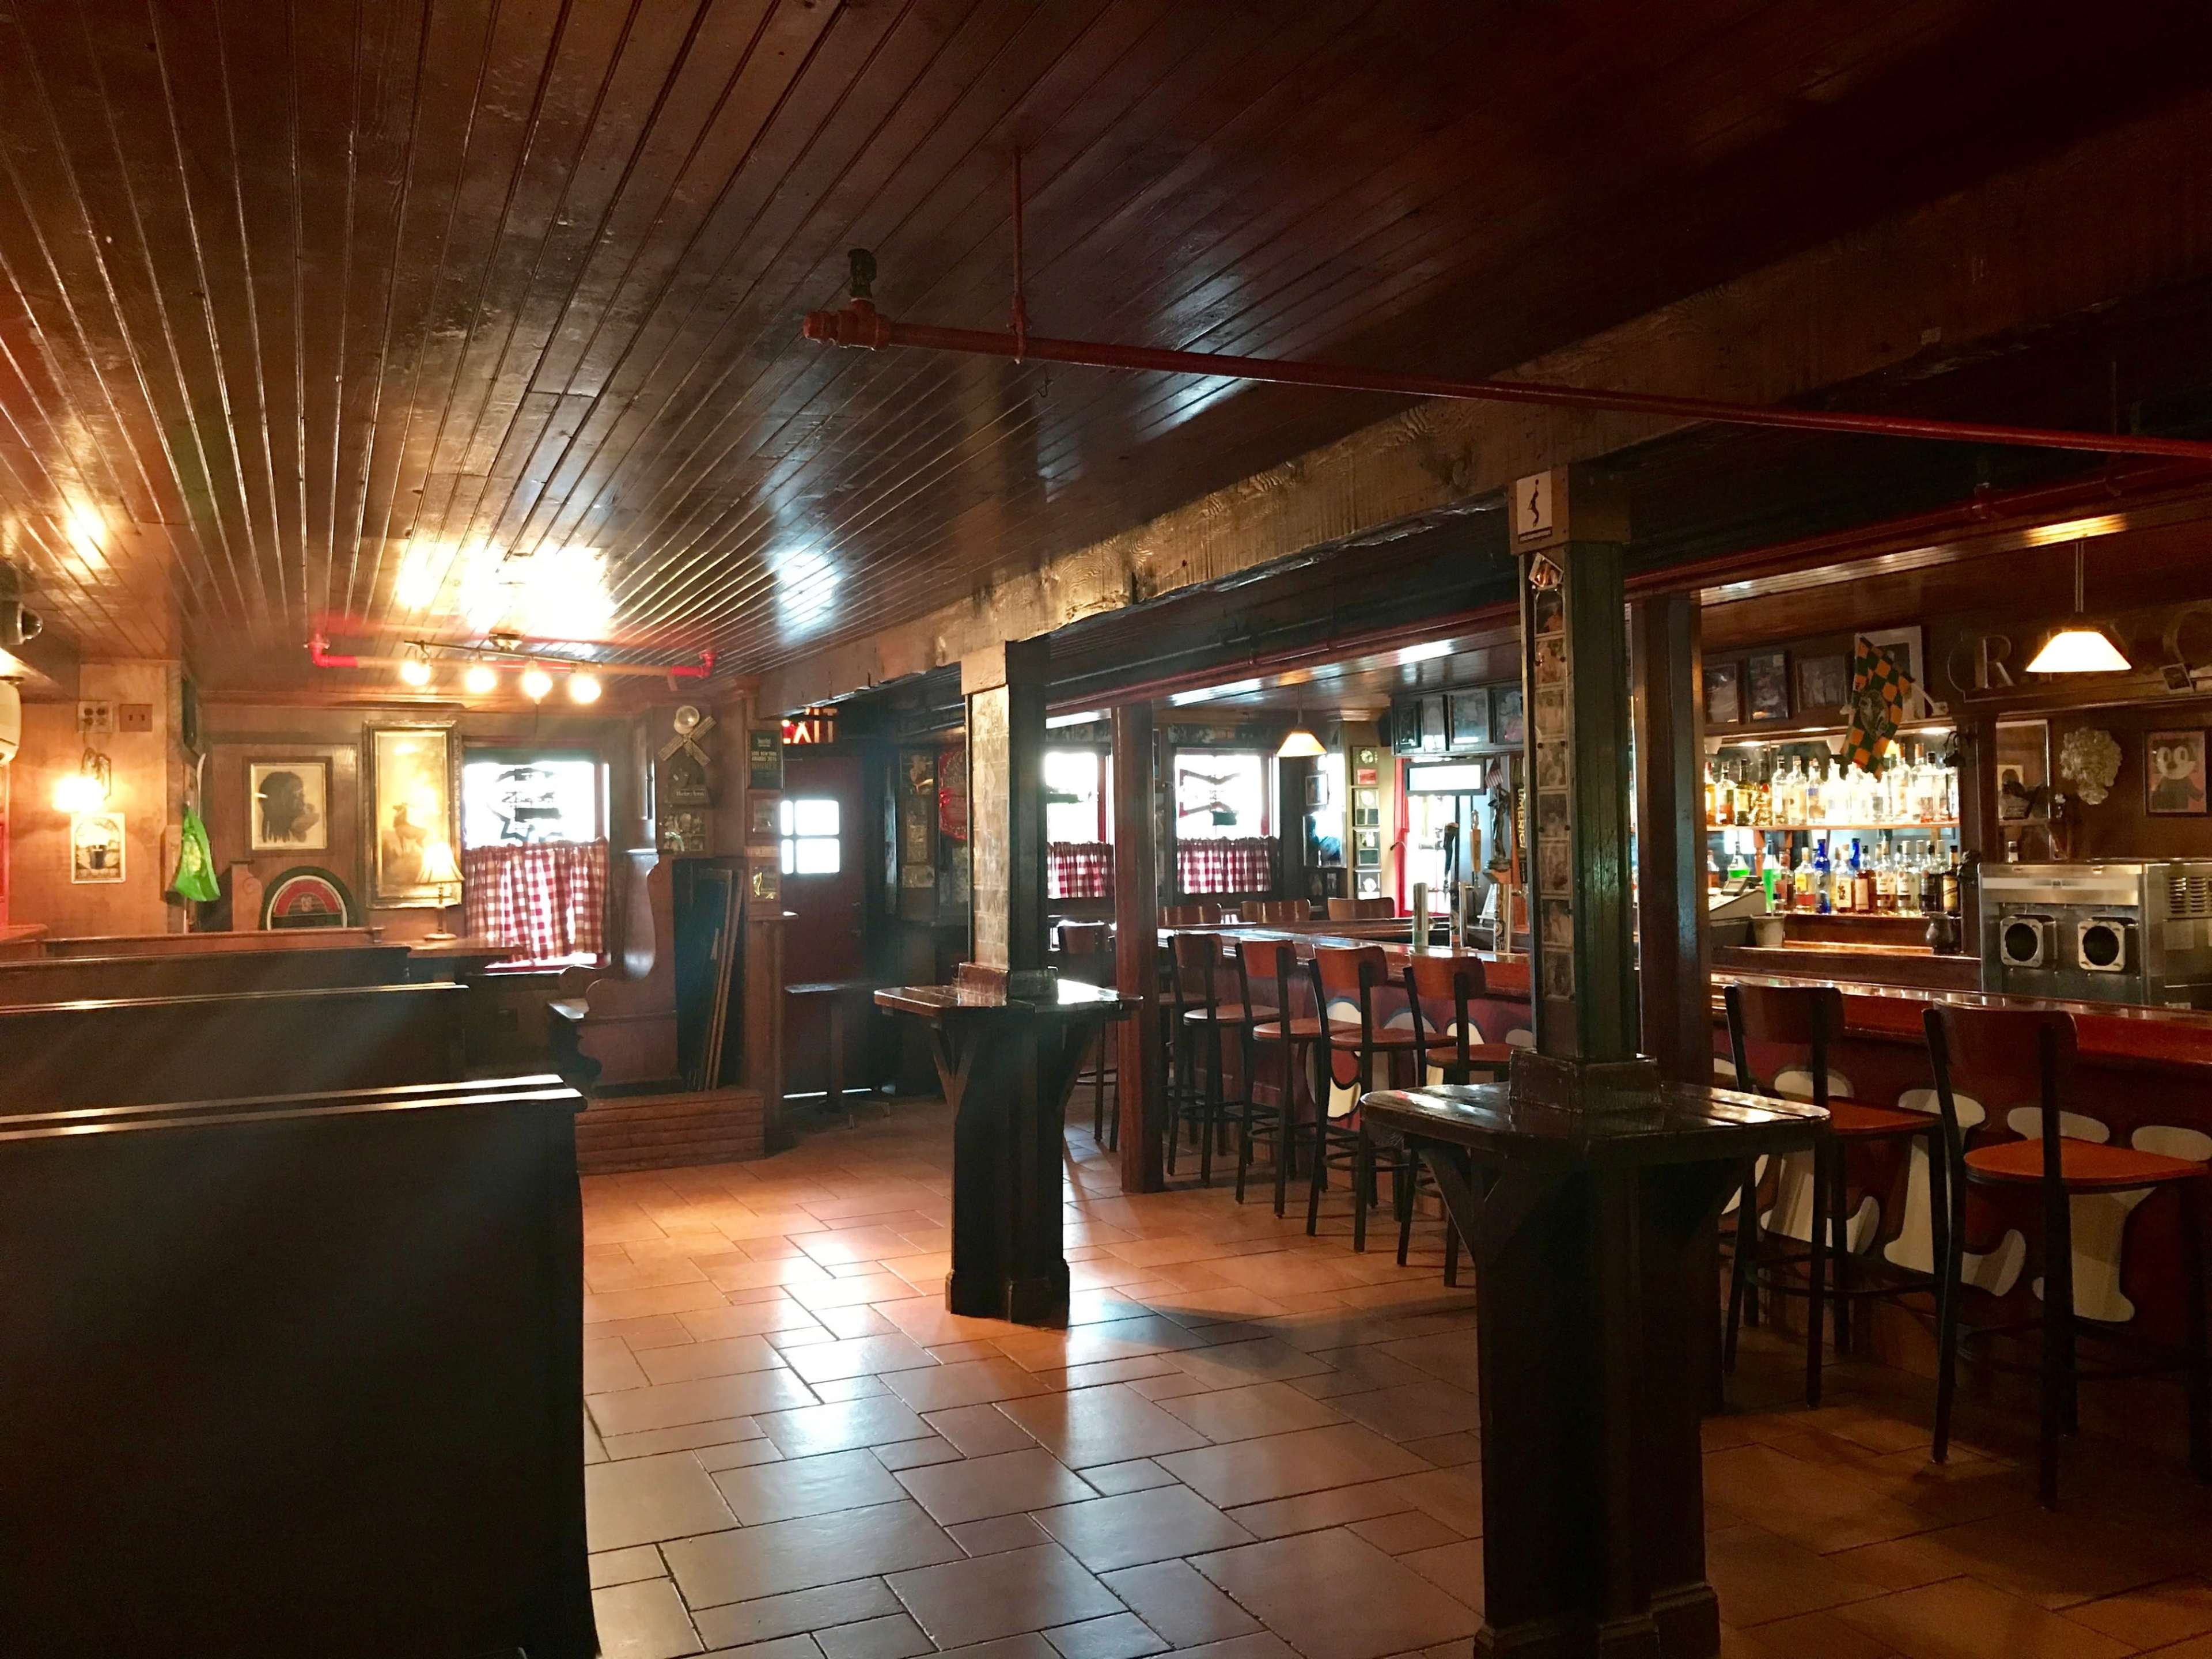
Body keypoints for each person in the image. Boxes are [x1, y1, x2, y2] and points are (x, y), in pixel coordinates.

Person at [256, 769, 320, 844]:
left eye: (302, 794)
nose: (303, 800)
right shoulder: (262, 839)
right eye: (295, 795)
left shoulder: (305, 820)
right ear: (278, 803)